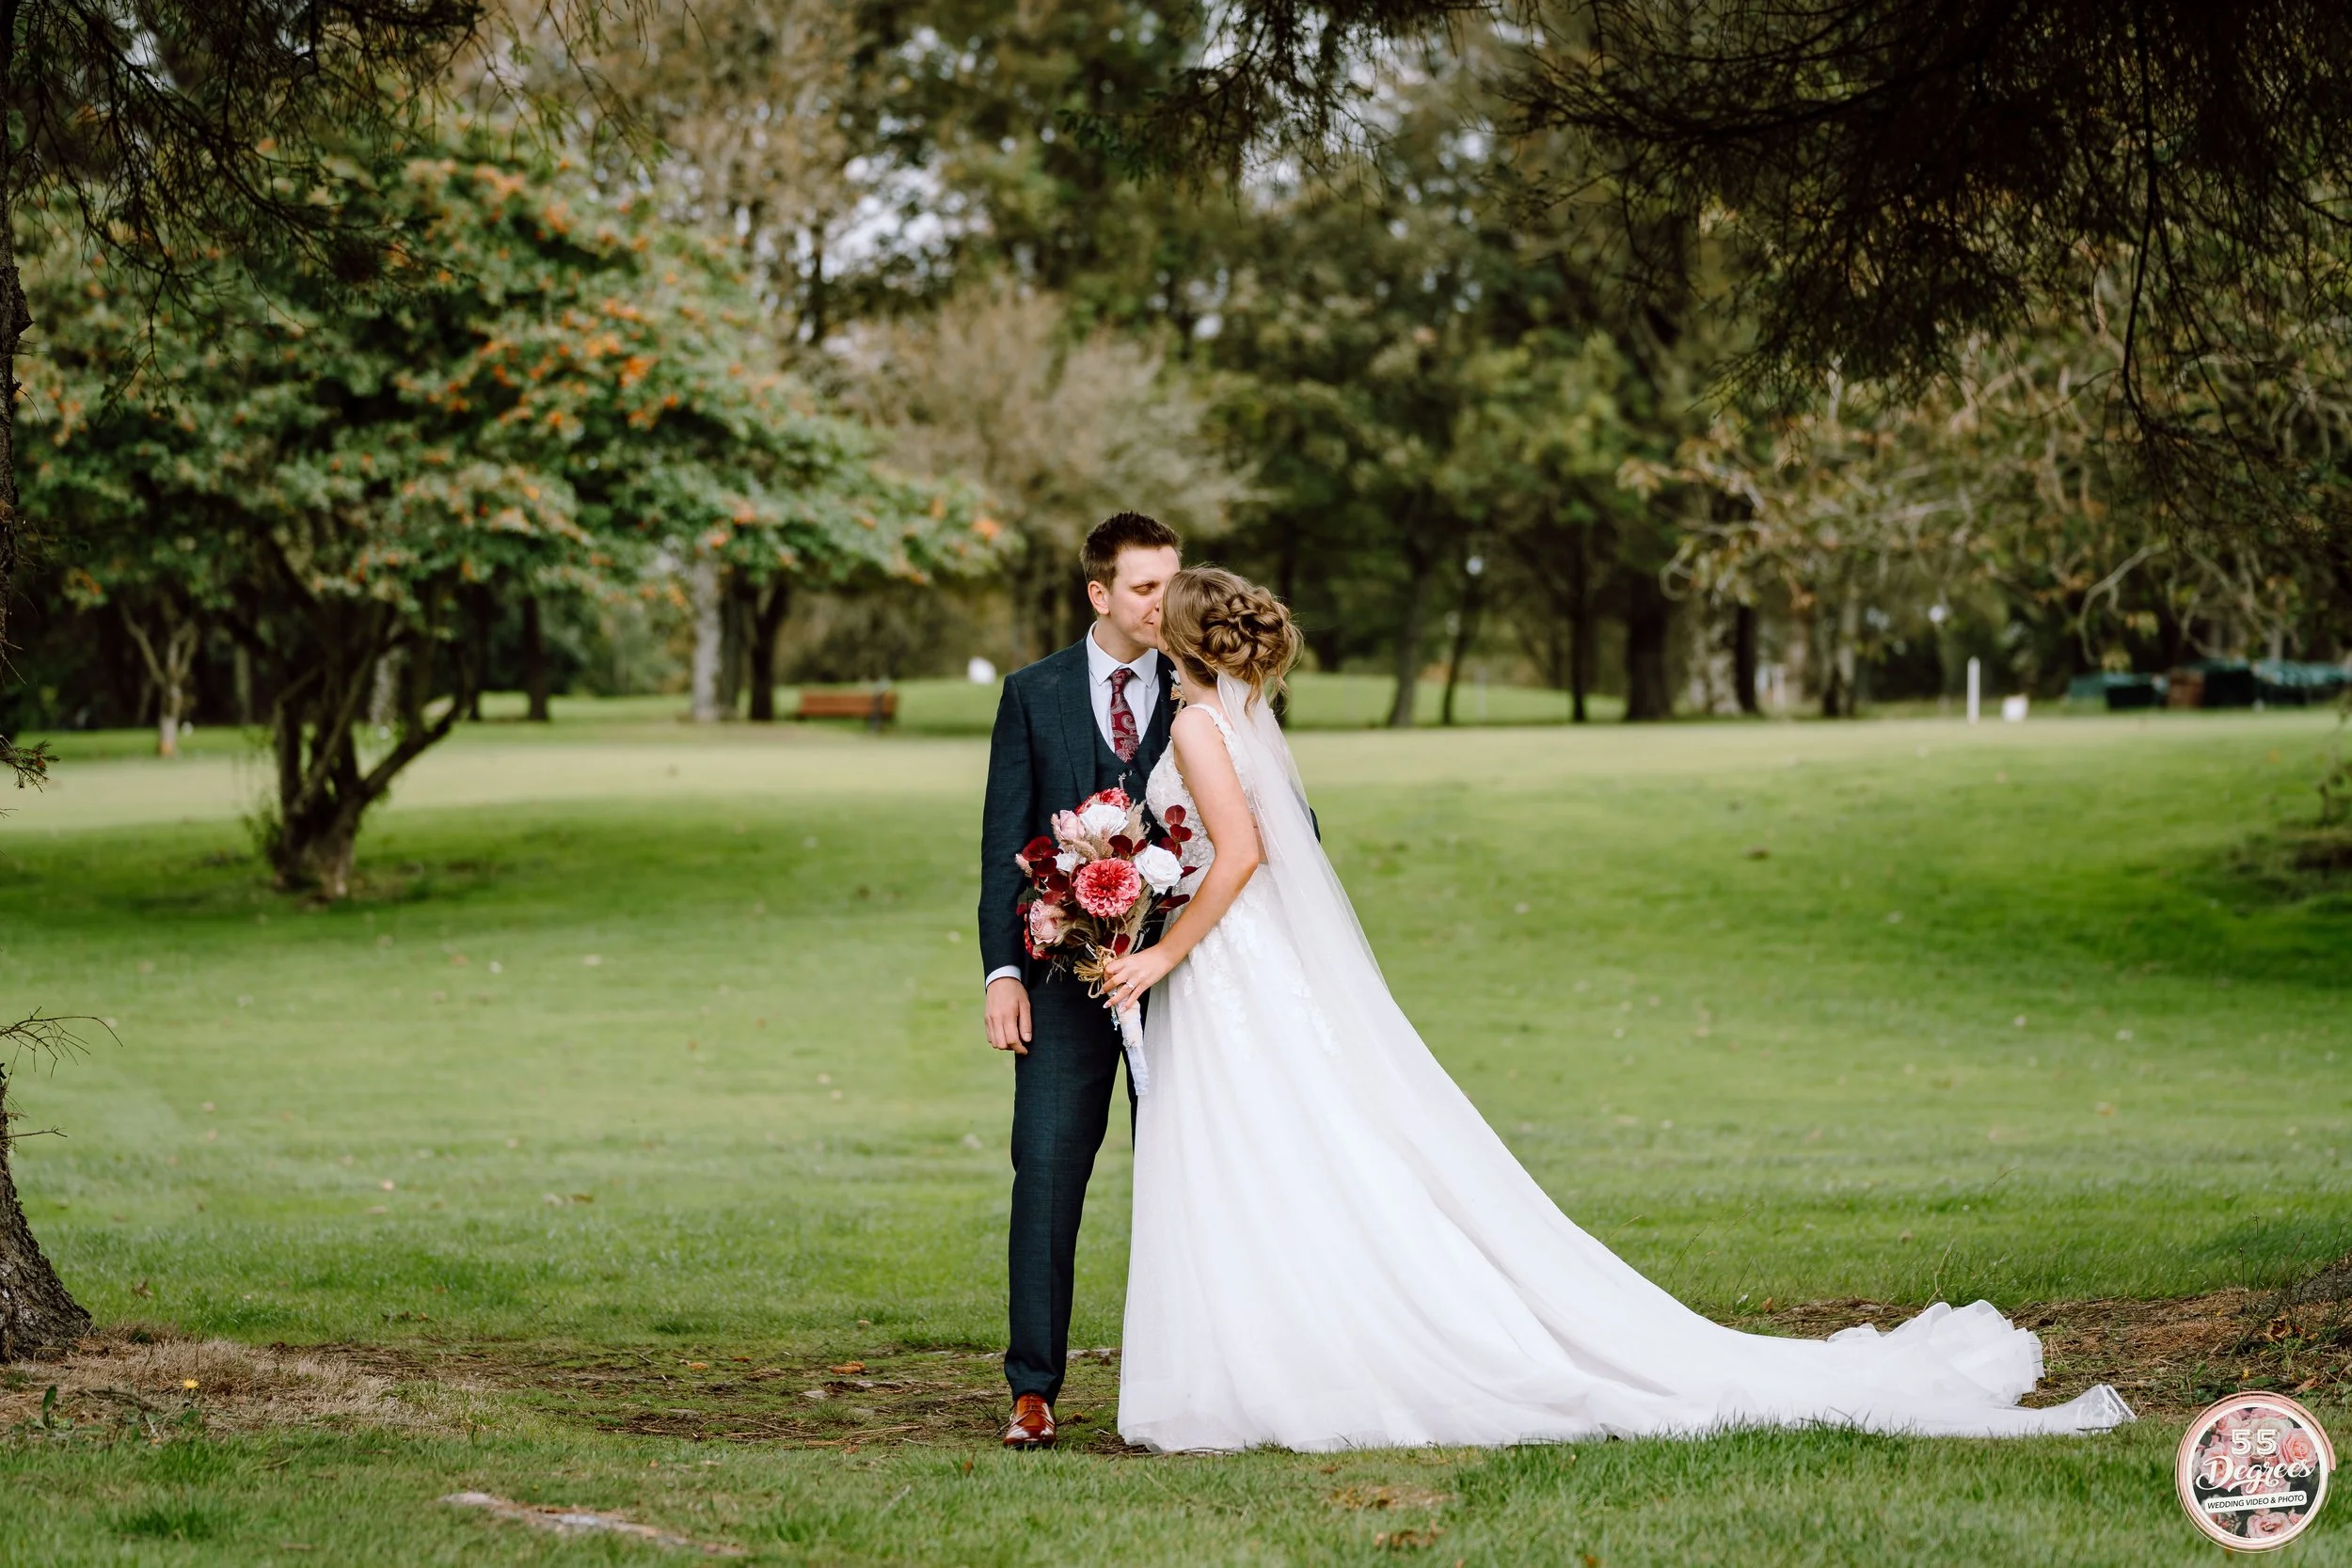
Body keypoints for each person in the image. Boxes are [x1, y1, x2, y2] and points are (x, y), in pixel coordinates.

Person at [1096, 566, 2134, 1452]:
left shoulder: (1194, 721)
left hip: (1231, 964)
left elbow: (1239, 853)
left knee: (1264, 1151)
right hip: (1251, 968)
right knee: (1287, 1151)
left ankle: (1274, 1361)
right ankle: (1276, 1350)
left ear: (1179, 636)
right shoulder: (1238, 712)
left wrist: (1160, 955)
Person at [977, 512, 1182, 1449]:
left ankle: (1186, 1374)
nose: (1161, 604)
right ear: (1098, 593)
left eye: (1170, 584)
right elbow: (1001, 844)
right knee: (1048, 1166)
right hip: (1062, 984)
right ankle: (1032, 1386)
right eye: (1144, 587)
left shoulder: (1202, 683)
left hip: (1186, 985)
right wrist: (1004, 969)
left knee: (1190, 1174)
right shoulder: (1032, 693)